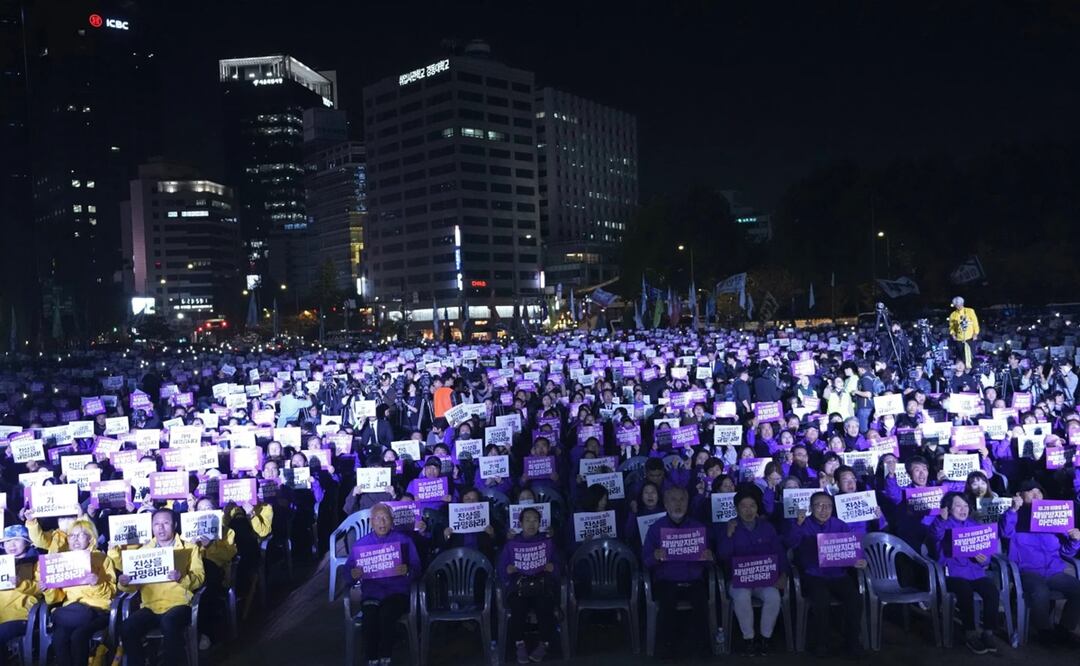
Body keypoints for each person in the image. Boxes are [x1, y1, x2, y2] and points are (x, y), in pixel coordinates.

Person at [119, 509, 206, 666]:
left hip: (179, 604)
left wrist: (182, 578)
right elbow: (133, 586)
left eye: (166, 523)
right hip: (151, 606)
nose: (161, 528)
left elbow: (199, 578)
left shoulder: (189, 548)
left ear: (175, 525)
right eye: (156, 524)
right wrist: (124, 583)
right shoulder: (142, 552)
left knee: (169, 623)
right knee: (127, 627)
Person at [785, 492, 866, 658]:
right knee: (821, 599)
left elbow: (853, 547)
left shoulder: (840, 524)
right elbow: (790, 543)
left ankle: (852, 642)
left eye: (828, 506)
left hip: (837, 574)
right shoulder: (803, 524)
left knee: (855, 599)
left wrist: (860, 559)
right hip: (812, 574)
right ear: (810, 508)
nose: (824, 509)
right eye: (819, 505)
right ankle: (821, 643)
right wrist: (798, 526)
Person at [999, 481, 1080, 645]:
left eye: (1039, 491)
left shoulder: (1054, 518)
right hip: (1027, 571)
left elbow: (1066, 552)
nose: (1036, 494)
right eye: (1030, 491)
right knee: (1040, 591)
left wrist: (1074, 540)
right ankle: (1044, 631)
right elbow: (1005, 533)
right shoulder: (1014, 516)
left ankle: (1064, 629)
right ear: (1021, 495)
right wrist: (1013, 510)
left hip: (1053, 571)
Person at [642, 486, 714, 659]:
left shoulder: (697, 527)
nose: (678, 504)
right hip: (667, 580)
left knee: (701, 603)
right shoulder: (656, 528)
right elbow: (645, 559)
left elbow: (710, 562)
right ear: (665, 504)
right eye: (673, 500)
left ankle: (703, 650)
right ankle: (667, 650)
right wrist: (655, 556)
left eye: (682, 500)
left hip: (693, 579)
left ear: (688, 503)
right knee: (667, 604)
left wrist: (709, 557)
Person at [346, 503, 422, 666]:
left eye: (385, 518)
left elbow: (417, 567)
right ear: (371, 522)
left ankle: (386, 654)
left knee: (387, 614)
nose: (382, 522)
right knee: (370, 616)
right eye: (378, 519)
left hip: (397, 592)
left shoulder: (404, 541)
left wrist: (407, 570)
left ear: (392, 521)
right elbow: (348, 572)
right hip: (372, 593)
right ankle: (372, 657)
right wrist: (353, 574)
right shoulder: (361, 544)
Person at [927, 492, 1001, 654]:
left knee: (992, 591)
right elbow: (934, 534)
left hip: (975, 572)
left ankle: (988, 632)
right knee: (964, 590)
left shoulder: (974, 525)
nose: (963, 509)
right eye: (958, 506)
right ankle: (970, 633)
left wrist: (984, 560)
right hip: (951, 574)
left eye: (966, 505)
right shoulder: (943, 524)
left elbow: (986, 553)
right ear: (949, 508)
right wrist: (941, 519)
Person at [715, 487, 785, 656]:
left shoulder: (767, 527)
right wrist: (729, 535)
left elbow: (779, 553)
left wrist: (783, 575)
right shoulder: (729, 527)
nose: (748, 510)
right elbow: (722, 556)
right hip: (738, 580)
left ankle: (765, 638)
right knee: (741, 597)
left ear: (757, 507)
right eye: (743, 506)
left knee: (773, 597)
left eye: (752, 505)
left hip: (764, 579)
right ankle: (749, 639)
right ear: (737, 508)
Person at [47, 519, 118, 666]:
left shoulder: (103, 559)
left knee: (78, 636)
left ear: (91, 538)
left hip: (98, 611)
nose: (75, 539)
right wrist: (48, 588)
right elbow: (54, 598)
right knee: (59, 637)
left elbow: (111, 593)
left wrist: (96, 583)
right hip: (72, 611)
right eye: (72, 536)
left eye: (80, 535)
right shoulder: (63, 560)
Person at [498, 507, 559, 664]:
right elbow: (501, 569)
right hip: (519, 587)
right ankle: (519, 644)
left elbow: (559, 565)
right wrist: (508, 569)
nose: (531, 524)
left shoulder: (546, 541)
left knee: (545, 605)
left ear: (540, 523)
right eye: (527, 520)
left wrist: (553, 568)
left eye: (535, 520)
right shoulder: (512, 543)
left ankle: (544, 644)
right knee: (518, 607)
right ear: (520, 523)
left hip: (542, 585)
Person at [0, 526, 39, 655]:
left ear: (26, 541)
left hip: (20, 616)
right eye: (7, 541)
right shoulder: (2, 563)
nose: (11, 544)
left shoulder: (36, 562)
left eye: (17, 539)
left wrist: (21, 583)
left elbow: (40, 588)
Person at [947, 297, 979, 367]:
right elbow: (951, 327)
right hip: (959, 339)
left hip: (970, 338)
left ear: (962, 304)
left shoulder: (970, 311)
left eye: (960, 305)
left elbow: (975, 323)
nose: (958, 307)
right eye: (956, 305)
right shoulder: (953, 315)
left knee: (970, 357)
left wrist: (975, 333)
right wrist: (953, 334)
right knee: (961, 357)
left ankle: (971, 370)